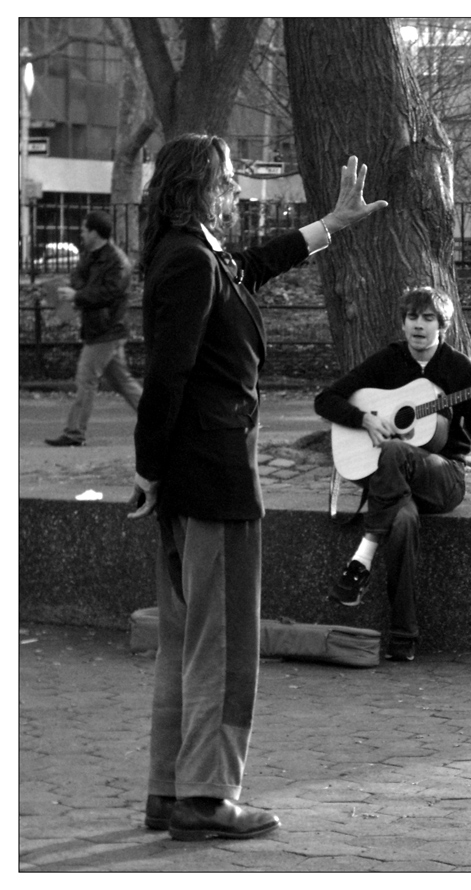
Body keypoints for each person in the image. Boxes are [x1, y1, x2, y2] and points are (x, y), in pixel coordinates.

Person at [126, 133, 387, 841]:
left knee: (187, 642)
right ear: (198, 188)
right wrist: (149, 469)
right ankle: (206, 797)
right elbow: (166, 379)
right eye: (230, 178)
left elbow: (251, 265)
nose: (238, 188)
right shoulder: (188, 258)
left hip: (197, 474)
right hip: (212, 478)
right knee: (222, 643)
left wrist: (328, 226)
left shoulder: (194, 253)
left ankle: (170, 791)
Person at [314, 285, 471, 662]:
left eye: (428, 319)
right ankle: (403, 640)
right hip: (395, 488)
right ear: (403, 324)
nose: (418, 326)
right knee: (402, 522)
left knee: (394, 450)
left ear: (443, 327)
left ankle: (363, 556)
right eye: (412, 318)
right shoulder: (387, 362)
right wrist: (364, 418)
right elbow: (325, 399)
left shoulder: (457, 369)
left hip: (442, 477)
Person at [45, 211, 142, 447]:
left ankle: (74, 432)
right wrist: (75, 291)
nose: (81, 233)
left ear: (95, 233)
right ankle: (160, 419)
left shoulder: (117, 262)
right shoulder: (92, 256)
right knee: (123, 383)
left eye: (84, 229)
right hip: (101, 328)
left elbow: (108, 293)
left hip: (107, 330)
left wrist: (77, 295)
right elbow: (78, 278)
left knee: (86, 378)